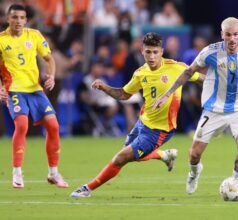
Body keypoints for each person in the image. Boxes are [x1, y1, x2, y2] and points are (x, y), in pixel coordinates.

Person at [153, 17, 238, 194]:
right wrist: (167, 94)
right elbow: (188, 72)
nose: (231, 39)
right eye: (228, 35)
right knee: (194, 154)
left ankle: (237, 182)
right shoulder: (210, 52)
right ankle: (194, 174)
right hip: (213, 110)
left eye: (235, 35)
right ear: (221, 35)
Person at [70, 32, 205, 198]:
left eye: (155, 52)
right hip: (143, 122)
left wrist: (223, 84)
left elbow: (201, 78)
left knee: (121, 158)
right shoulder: (140, 73)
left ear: (162, 51)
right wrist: (104, 87)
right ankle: (165, 155)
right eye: (148, 52)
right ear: (142, 51)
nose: (152, 56)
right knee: (134, 155)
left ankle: (87, 189)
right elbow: (124, 95)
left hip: (159, 130)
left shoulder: (176, 67)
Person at [0, 4, 68, 188]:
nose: (19, 21)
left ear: (26, 19)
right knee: (21, 125)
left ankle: (53, 173)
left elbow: (49, 59)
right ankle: (17, 173)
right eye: (15, 17)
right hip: (14, 89)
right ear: (8, 19)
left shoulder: (34, 35)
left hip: (34, 89)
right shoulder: (1, 40)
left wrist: (51, 75)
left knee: (53, 126)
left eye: (22, 18)